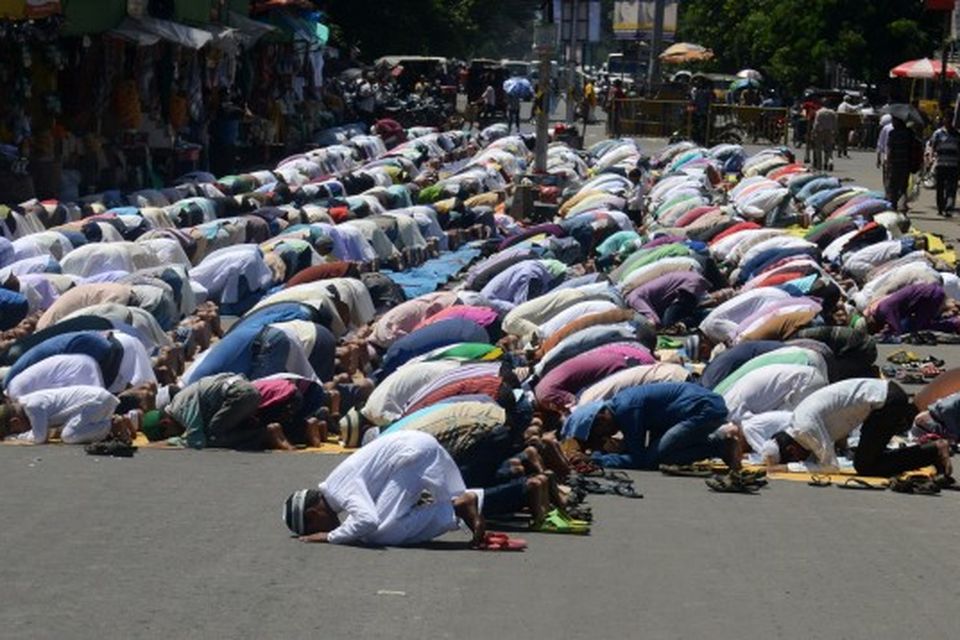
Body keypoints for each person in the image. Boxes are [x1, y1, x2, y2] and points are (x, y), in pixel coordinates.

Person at [282, 431, 486, 546]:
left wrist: (329, 536)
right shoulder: (336, 486)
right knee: (371, 528)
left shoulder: (339, 490)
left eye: (314, 529)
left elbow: (368, 520)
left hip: (411, 454)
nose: (320, 531)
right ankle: (459, 506)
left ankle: (458, 507)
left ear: (312, 514)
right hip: (414, 448)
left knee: (381, 534)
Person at [762, 379, 952, 477]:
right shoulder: (799, 422)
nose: (804, 459)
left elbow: (830, 467)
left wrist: (787, 468)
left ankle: (934, 451)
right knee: (868, 458)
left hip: (885, 402)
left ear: (791, 449)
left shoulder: (804, 429)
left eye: (797, 459)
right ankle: (929, 452)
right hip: (884, 396)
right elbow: (838, 426)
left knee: (865, 466)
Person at [561, 382, 742, 470]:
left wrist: (596, 460)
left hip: (703, 409)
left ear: (601, 418)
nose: (604, 436)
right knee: (662, 454)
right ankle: (718, 445)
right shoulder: (623, 405)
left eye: (598, 432)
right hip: (688, 412)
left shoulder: (627, 409)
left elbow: (639, 459)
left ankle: (720, 446)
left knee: (653, 459)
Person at [0, 385, 121, 444]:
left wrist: (15, 437)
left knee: (70, 436)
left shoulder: (32, 407)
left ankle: (112, 425)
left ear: (15, 422)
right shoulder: (28, 403)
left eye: (14, 430)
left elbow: (40, 437)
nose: (18, 432)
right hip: (94, 400)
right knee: (68, 433)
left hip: (95, 400)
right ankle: (110, 423)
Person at [885, 116, 921, 213]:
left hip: (895, 163)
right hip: (906, 164)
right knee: (903, 186)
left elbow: (890, 150)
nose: (892, 122)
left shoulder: (892, 133)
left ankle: (893, 206)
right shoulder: (909, 133)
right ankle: (902, 205)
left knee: (893, 186)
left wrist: (888, 163)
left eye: (893, 120)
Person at [928, 113, 960, 217]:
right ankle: (941, 207)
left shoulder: (957, 134)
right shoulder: (938, 133)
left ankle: (948, 206)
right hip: (940, 164)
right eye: (947, 119)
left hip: (953, 165)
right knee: (940, 188)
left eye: (950, 120)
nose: (949, 122)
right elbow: (932, 146)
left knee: (951, 188)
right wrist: (931, 158)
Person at [810, 100, 838, 171]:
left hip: (820, 132)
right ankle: (828, 163)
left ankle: (819, 165)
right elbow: (835, 124)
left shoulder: (819, 112)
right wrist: (835, 132)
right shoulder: (832, 112)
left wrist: (813, 131)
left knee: (818, 149)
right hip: (829, 132)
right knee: (828, 149)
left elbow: (816, 123)